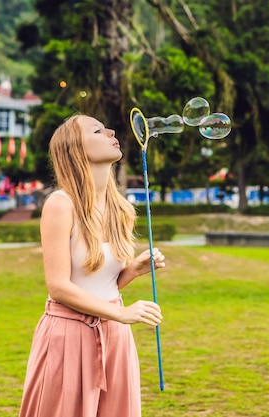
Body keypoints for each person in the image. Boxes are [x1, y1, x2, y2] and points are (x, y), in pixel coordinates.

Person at [19, 115, 166, 417]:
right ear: (76, 149)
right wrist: (122, 313)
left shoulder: (121, 209)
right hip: (68, 336)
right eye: (98, 130)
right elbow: (59, 287)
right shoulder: (61, 204)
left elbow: (99, 285)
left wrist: (132, 272)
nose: (111, 131)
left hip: (115, 334)